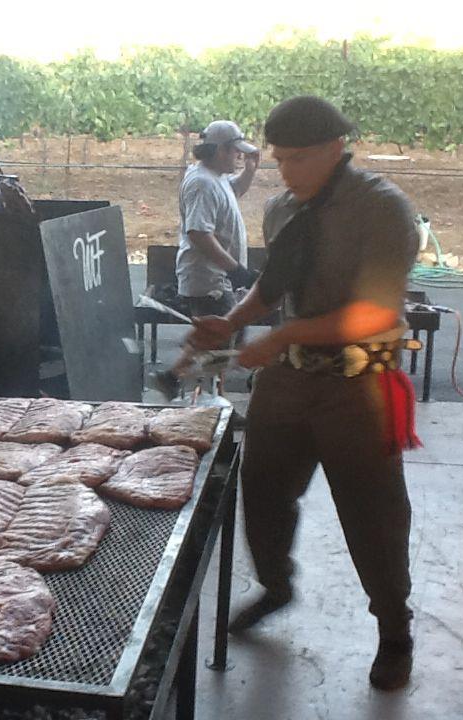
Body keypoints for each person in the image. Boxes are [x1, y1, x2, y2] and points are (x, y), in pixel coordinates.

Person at [180, 96, 421, 691]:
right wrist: (231, 324)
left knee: (372, 514)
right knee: (261, 495)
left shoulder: (383, 210)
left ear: (337, 147)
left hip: (358, 385)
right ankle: (277, 586)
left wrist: (282, 333)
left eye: (298, 159)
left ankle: (394, 629)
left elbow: (372, 313)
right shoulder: (283, 207)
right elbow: (272, 284)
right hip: (288, 380)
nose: (286, 171)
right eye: (280, 159)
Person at [173, 120, 261, 318]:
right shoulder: (202, 183)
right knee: (220, 345)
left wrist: (249, 171)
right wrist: (235, 270)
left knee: (228, 341)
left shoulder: (214, 176)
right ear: (221, 151)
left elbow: (233, 191)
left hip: (219, 282)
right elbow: (199, 233)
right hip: (210, 287)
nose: (240, 156)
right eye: (236, 151)